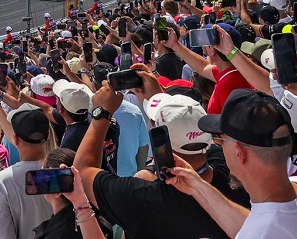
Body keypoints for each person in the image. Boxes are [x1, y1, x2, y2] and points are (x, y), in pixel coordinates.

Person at [76, 86, 248, 239]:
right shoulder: (235, 173)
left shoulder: (139, 195)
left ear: (161, 140)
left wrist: (102, 113)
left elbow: (82, 173)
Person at [168, 89, 297, 239]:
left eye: (220, 139)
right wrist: (197, 186)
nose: (218, 145)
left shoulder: (265, 231)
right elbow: (254, 225)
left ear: (238, 151)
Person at [0, 104, 54, 239]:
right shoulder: (64, 170)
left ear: (16, 139)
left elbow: (2, 234)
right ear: (47, 135)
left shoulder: (4, 181)